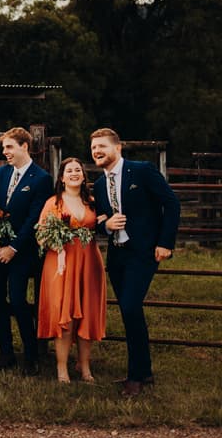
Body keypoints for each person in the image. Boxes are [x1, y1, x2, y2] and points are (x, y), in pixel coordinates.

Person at [90, 128, 180, 396]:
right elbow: (99, 224)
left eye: (102, 146)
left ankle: (135, 378)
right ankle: (144, 371)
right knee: (131, 312)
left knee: (130, 307)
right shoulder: (97, 185)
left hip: (143, 253)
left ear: (118, 148)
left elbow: (171, 204)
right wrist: (107, 226)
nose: (97, 151)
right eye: (93, 148)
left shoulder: (141, 171)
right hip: (117, 254)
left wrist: (166, 242)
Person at [0, 127, 53, 376]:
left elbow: (35, 219)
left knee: (17, 299)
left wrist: (13, 248)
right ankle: (6, 352)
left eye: (10, 147)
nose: (5, 152)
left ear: (25, 146)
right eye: (4, 148)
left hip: (22, 252)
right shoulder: (2, 173)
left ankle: (31, 355)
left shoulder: (41, 178)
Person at [37, 158, 106, 383]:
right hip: (60, 263)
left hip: (89, 262)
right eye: (69, 170)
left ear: (84, 176)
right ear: (62, 177)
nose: (74, 173)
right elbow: (41, 235)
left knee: (87, 313)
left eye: (78, 170)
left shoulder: (93, 203)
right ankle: (61, 368)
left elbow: (104, 225)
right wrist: (58, 246)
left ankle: (85, 367)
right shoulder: (53, 203)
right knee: (63, 315)